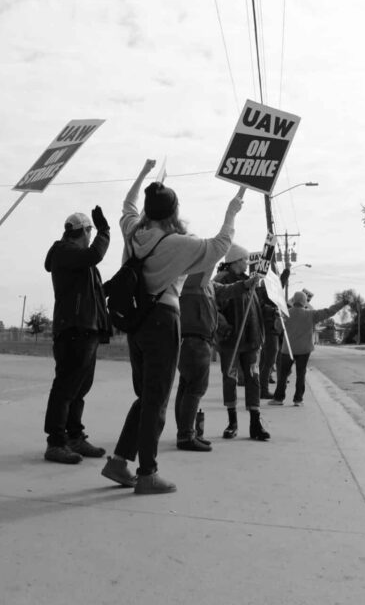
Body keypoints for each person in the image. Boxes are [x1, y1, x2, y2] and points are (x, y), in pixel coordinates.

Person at [101, 159, 242, 495]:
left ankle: (119, 462)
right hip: (163, 320)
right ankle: (147, 474)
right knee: (156, 401)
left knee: (146, 397)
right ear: (174, 211)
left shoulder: (133, 231)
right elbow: (220, 246)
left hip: (136, 323)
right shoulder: (177, 243)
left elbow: (127, 205)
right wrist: (231, 212)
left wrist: (142, 173)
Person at [42, 208, 112, 464]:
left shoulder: (79, 260)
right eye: (90, 232)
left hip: (86, 329)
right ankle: (56, 442)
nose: (91, 236)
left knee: (80, 387)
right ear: (83, 231)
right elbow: (95, 254)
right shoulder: (65, 252)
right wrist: (105, 231)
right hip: (73, 329)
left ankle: (74, 436)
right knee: (66, 387)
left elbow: (94, 293)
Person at [174, 266, 252, 451]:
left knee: (187, 386)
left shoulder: (205, 283)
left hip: (194, 340)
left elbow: (226, 290)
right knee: (195, 387)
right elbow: (212, 259)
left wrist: (246, 284)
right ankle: (186, 435)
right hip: (195, 340)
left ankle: (185, 432)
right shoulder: (193, 279)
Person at [214, 245, 272, 441]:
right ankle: (232, 422)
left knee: (253, 378)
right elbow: (213, 309)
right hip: (231, 341)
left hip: (251, 339)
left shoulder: (249, 281)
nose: (246, 264)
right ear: (235, 260)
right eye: (244, 260)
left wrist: (271, 313)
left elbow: (257, 306)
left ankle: (255, 423)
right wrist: (225, 328)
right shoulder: (220, 280)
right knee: (230, 379)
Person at [271, 291, 342, 406]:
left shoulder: (285, 314)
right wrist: (343, 302)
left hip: (287, 349)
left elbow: (277, 328)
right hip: (304, 350)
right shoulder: (311, 315)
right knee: (301, 374)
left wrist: (278, 318)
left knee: (283, 375)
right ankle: (298, 400)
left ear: (293, 301)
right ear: (304, 302)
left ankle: (278, 399)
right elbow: (330, 311)